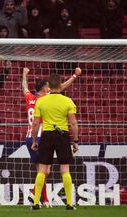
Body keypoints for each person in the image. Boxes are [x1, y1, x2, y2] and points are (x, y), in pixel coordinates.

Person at [22, 67, 81, 208]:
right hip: (55, 134)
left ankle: (39, 200)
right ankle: (67, 202)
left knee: (42, 170)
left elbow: (24, 87)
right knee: (60, 169)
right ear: (45, 88)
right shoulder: (52, 99)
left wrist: (24, 74)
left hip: (33, 136)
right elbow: (72, 122)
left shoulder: (31, 98)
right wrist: (74, 75)